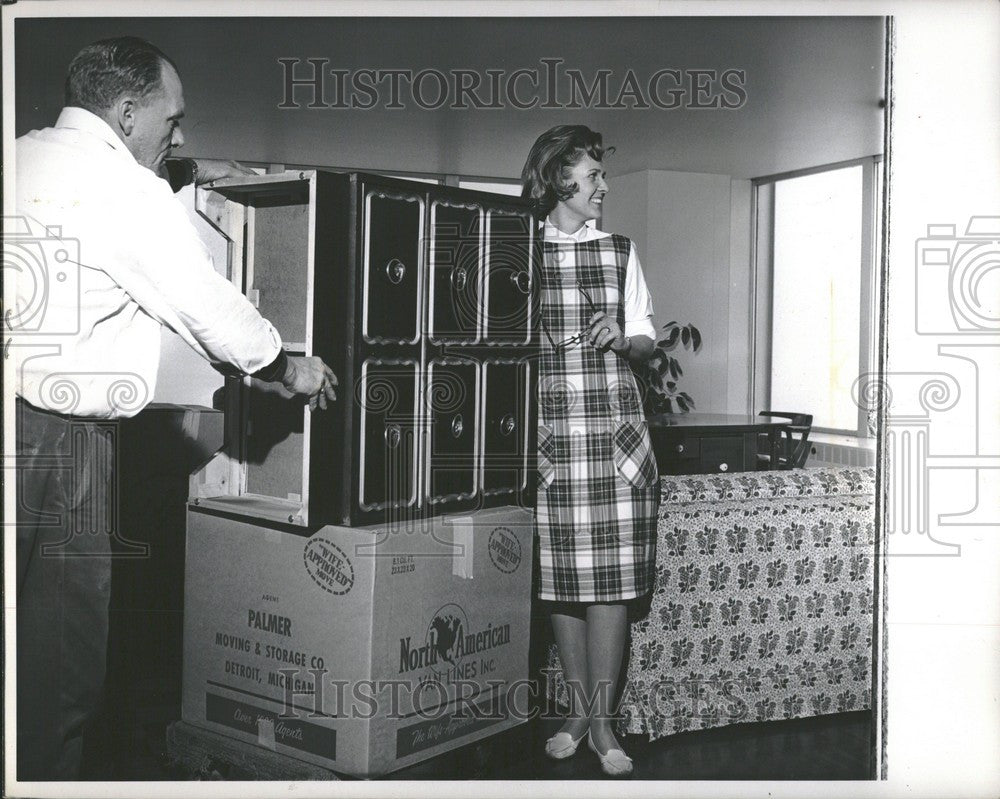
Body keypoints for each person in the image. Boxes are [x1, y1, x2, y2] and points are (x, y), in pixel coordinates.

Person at [10, 36, 337, 781]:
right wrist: (287, 365)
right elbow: (207, 308)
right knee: (60, 668)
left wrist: (184, 174)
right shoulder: (126, 190)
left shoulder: (23, 154)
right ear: (127, 112)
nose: (179, 134)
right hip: (60, 443)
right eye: (173, 119)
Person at [521, 125, 660, 777]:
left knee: (611, 586)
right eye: (592, 176)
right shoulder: (518, 251)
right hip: (552, 438)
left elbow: (646, 341)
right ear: (558, 180)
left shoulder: (621, 251)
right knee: (561, 584)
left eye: (602, 176)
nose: (603, 186)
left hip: (614, 439)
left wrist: (622, 339)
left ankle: (603, 720)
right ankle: (577, 711)